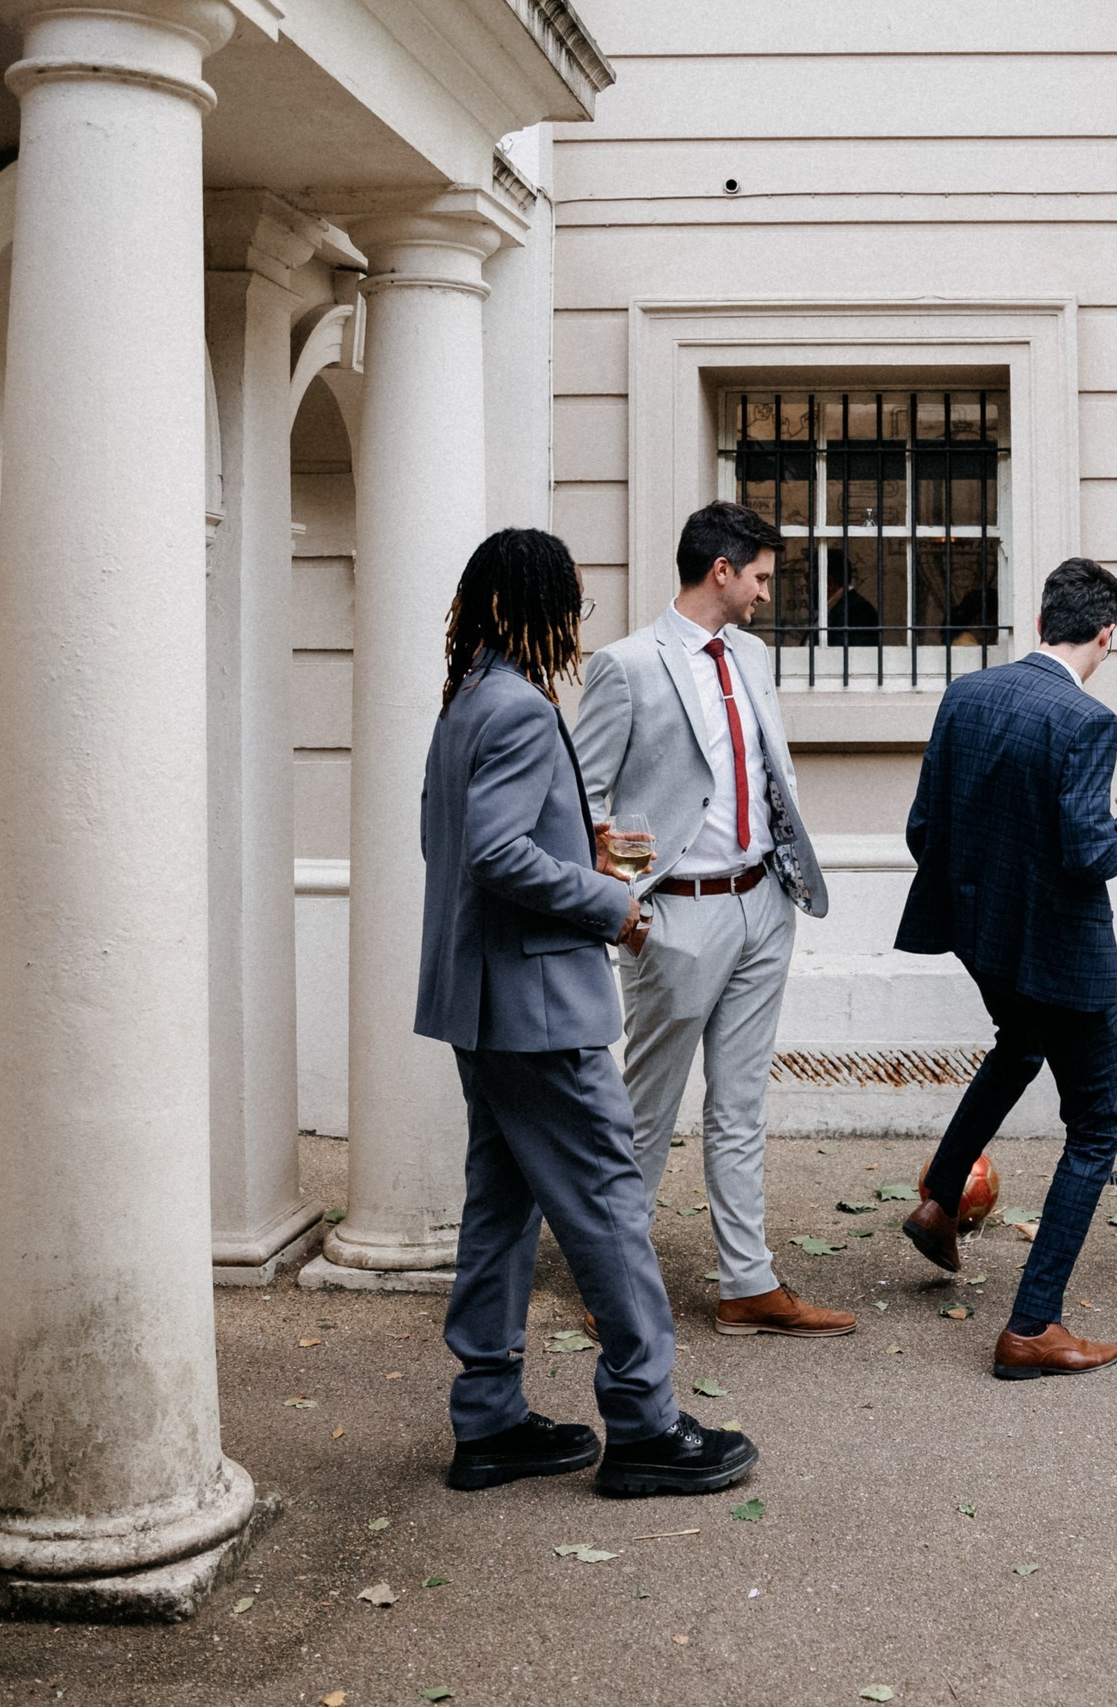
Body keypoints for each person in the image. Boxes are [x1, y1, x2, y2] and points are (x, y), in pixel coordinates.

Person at [416, 526, 759, 1498]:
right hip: (538, 1010)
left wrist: (579, 837)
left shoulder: (467, 703)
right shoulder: (520, 710)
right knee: (608, 1204)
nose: (575, 621)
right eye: (569, 600)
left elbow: (463, 842)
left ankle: (487, 1421)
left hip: (479, 1005)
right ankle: (646, 1426)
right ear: (533, 604)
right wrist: (611, 898)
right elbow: (494, 855)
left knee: (501, 1211)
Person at [572, 501, 852, 1339]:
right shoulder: (625, 665)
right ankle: (612, 1280)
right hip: (677, 916)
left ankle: (747, 1283)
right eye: (760, 576)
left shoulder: (755, 656)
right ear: (721, 571)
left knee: (739, 1105)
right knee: (646, 1111)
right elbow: (581, 801)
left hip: (766, 902)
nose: (767, 593)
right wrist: (620, 887)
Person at [895, 557, 1117, 1379]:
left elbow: (922, 829)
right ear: (1106, 634)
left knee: (1017, 1048)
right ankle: (1032, 1325)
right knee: (1097, 1128)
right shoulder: (1089, 721)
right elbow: (1086, 851)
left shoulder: (965, 695)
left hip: (984, 941)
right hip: (1063, 958)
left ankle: (941, 1201)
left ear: (1045, 618)